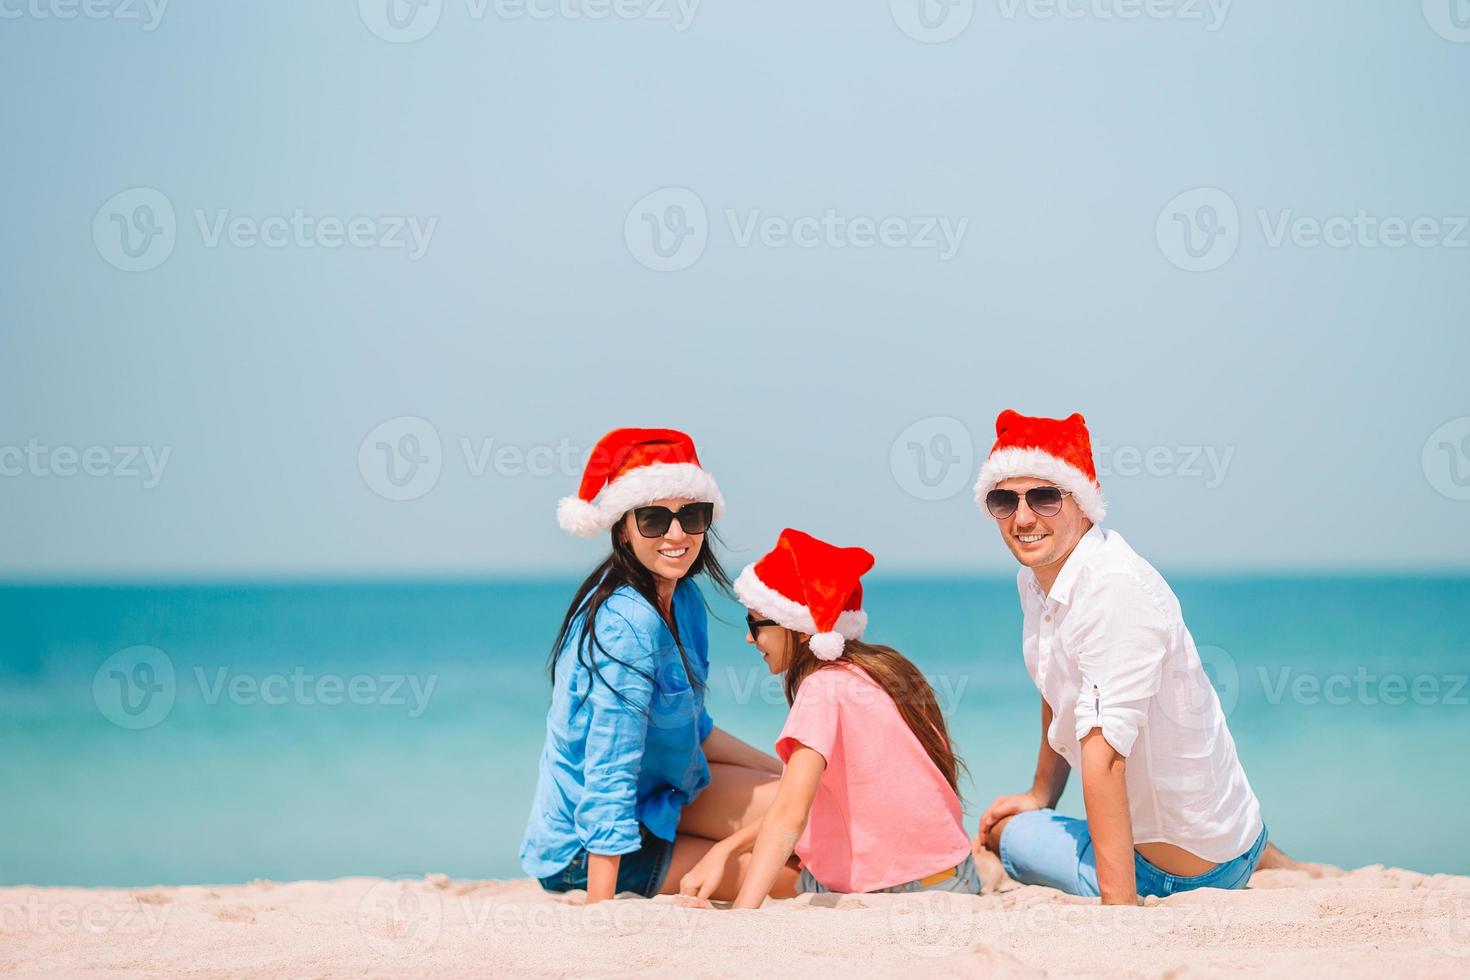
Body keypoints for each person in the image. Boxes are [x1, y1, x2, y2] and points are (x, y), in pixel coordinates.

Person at [971, 409, 1274, 904]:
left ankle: (1228, 865)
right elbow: (1058, 682)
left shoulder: (1113, 590)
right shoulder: (1039, 579)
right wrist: (1040, 795)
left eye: (1045, 497)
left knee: (1004, 835)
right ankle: (1268, 855)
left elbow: (1105, 756)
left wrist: (1119, 917)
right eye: (1005, 500)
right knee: (1023, 814)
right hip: (1235, 832)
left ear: (1084, 505)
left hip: (1181, 875)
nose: (1024, 518)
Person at [520, 427, 795, 904]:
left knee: (807, 807)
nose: (676, 534)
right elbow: (609, 765)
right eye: (653, 519)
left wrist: (791, 772)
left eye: (691, 515)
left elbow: (693, 727)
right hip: (586, 848)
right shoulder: (625, 625)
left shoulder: (683, 599)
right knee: (792, 874)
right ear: (622, 527)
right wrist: (600, 910)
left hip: (663, 800)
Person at [679, 528, 980, 906]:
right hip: (956, 876)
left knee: (689, 859)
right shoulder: (885, 669)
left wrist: (743, 914)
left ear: (801, 631)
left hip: (891, 893)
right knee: (741, 854)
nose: (750, 639)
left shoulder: (821, 689)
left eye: (756, 623)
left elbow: (790, 814)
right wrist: (727, 847)